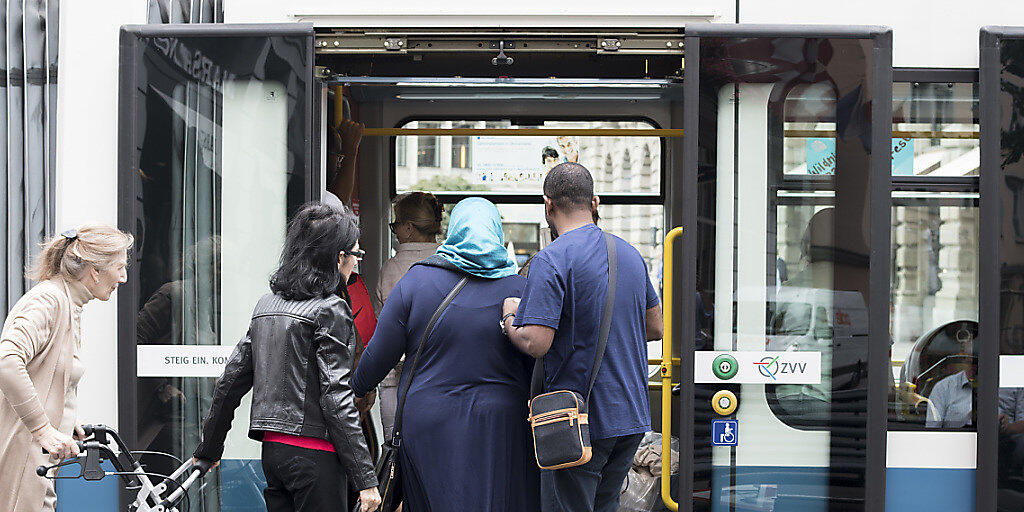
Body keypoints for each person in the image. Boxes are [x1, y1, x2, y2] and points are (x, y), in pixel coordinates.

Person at [352, 197, 539, 512]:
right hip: (502, 426)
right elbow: (539, 361)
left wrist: (357, 389)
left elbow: (379, 356)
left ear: (454, 231)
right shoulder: (520, 290)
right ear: (496, 232)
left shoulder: (416, 282)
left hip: (428, 423)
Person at [192, 203, 381, 512]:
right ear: (338, 258)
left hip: (274, 452)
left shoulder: (266, 305)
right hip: (316, 456)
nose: (355, 266)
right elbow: (336, 398)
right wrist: (366, 479)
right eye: (355, 256)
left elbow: (230, 382)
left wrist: (210, 449)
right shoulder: (330, 309)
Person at [502, 163, 664, 512]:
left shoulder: (551, 259)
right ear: (594, 201)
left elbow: (537, 342)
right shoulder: (631, 255)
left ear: (548, 205)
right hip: (632, 415)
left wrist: (510, 318)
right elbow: (656, 327)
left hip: (579, 419)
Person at [0, 224, 133, 512]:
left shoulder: (68, 303)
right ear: (95, 270)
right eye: (119, 267)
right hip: (26, 458)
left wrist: (62, 417)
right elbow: (7, 361)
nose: (123, 277)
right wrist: (43, 429)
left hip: (39, 461)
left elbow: (46, 373)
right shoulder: (48, 300)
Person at [374, 191, 443, 441]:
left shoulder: (391, 269)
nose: (395, 232)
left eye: (396, 225)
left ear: (409, 228)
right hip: (442, 382)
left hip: (396, 382)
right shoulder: (451, 261)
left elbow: (381, 334)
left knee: (396, 456)